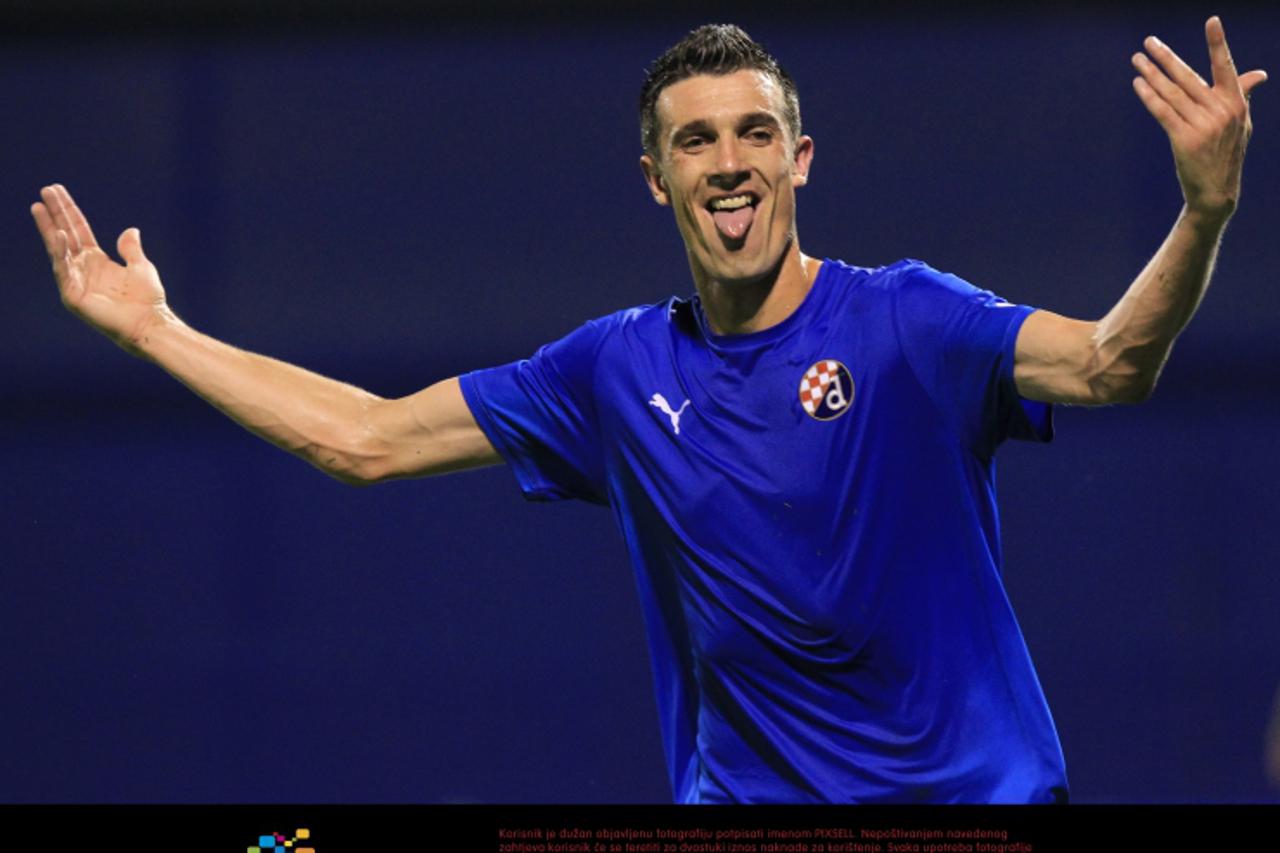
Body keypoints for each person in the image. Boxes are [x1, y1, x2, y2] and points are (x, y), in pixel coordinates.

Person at [31, 18, 1263, 804]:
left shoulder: (909, 322)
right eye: (694, 141)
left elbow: (1110, 363)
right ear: (654, 175)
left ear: (798, 159)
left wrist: (1201, 213)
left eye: (753, 133)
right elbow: (364, 437)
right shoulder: (612, 371)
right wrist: (158, 330)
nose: (726, 160)